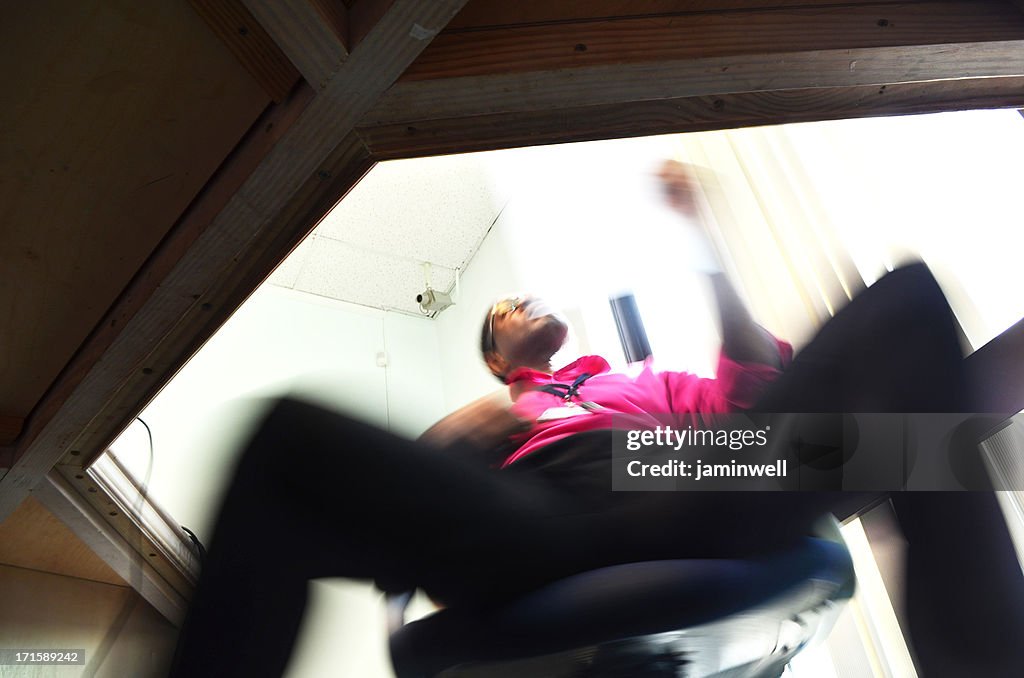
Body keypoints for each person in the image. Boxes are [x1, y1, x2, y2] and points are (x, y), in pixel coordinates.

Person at [168, 163, 1023, 677]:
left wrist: (700, 235)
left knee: (909, 313)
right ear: (501, 358)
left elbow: (754, 391)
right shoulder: (504, 409)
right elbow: (416, 517)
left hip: (679, 475)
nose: (524, 298)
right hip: (542, 517)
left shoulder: (643, 378)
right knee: (288, 441)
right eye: (505, 307)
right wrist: (471, 432)